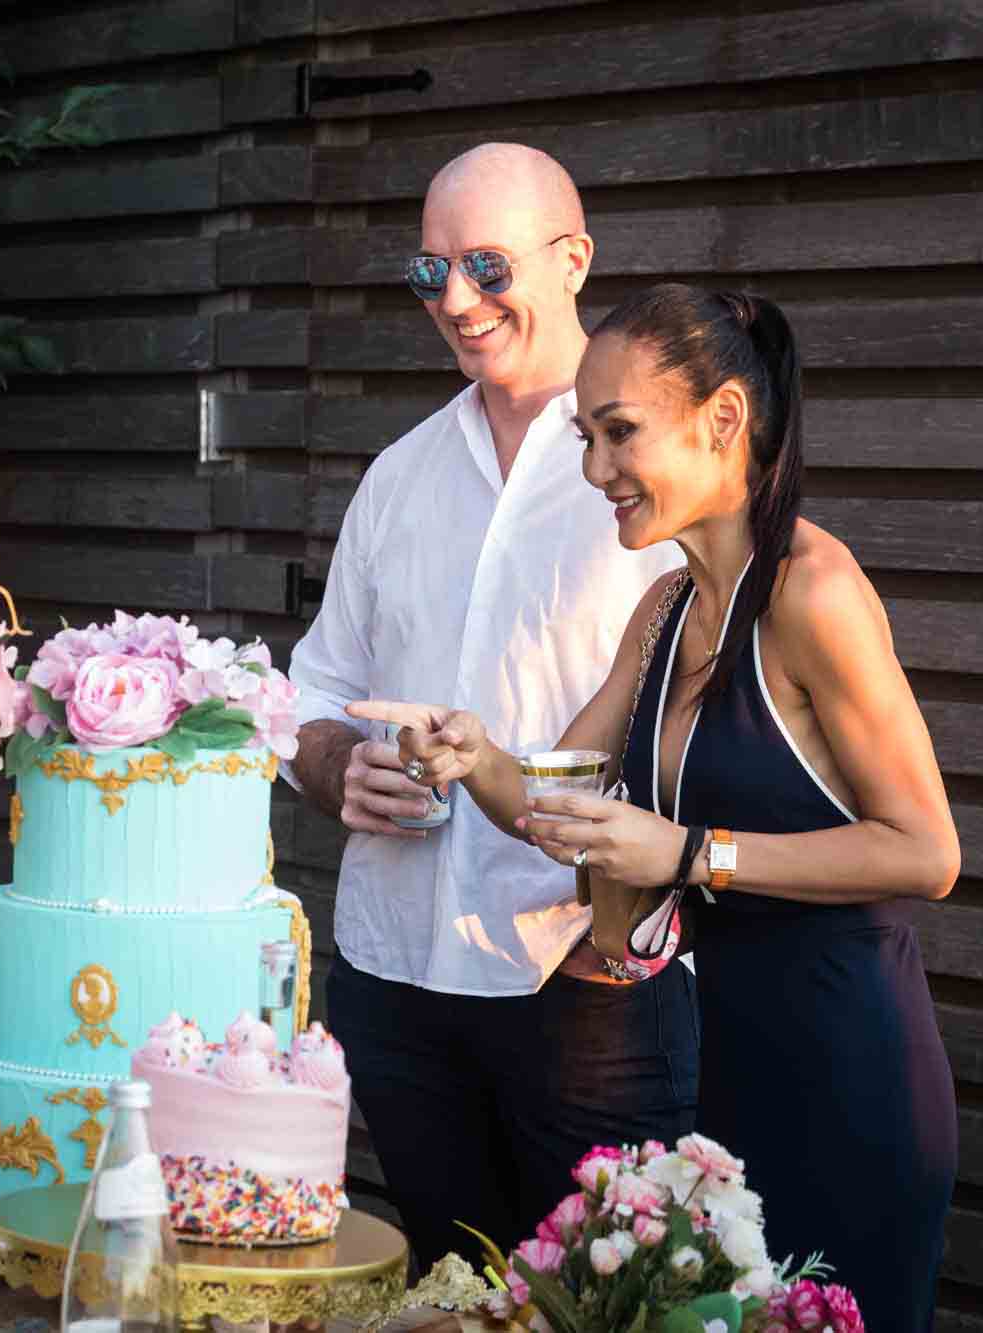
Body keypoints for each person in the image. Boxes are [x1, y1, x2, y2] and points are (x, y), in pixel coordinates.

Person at [354, 283, 959, 1328]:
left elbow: (924, 851)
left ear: (722, 418)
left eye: (617, 433)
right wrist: (475, 754)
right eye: (586, 437)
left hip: (851, 1079)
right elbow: (565, 802)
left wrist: (687, 852)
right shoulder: (666, 607)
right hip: (728, 1082)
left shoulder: (813, 593)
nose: (595, 470)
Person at [283, 143, 693, 1274]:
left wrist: (633, 931)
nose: (455, 302)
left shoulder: (651, 471)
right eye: (431, 271)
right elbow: (311, 692)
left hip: (585, 982)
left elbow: (713, 710)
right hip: (397, 979)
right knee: (447, 1289)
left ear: (573, 261)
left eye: (486, 266)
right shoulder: (398, 475)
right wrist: (332, 767)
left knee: (600, 1305)